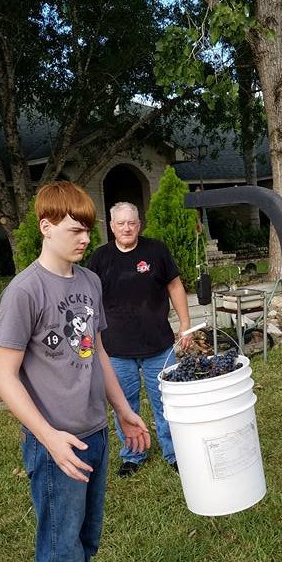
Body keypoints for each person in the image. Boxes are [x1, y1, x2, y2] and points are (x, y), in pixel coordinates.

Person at [0, 182, 151, 562]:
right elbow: (4, 377)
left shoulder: (87, 281)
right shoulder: (25, 291)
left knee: (84, 549)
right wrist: (49, 438)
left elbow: (96, 351)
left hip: (95, 436)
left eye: (89, 228)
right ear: (46, 226)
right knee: (59, 559)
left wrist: (125, 412)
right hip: (56, 446)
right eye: (75, 228)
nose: (86, 237)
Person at [87, 202, 191, 477]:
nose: (126, 228)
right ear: (111, 227)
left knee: (166, 402)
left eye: (131, 223)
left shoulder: (156, 250)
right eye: (120, 224)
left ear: (139, 224)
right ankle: (133, 455)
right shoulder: (99, 259)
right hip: (117, 349)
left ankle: (174, 452)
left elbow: (175, 286)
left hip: (158, 344)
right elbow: (89, 301)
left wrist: (185, 324)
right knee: (124, 404)